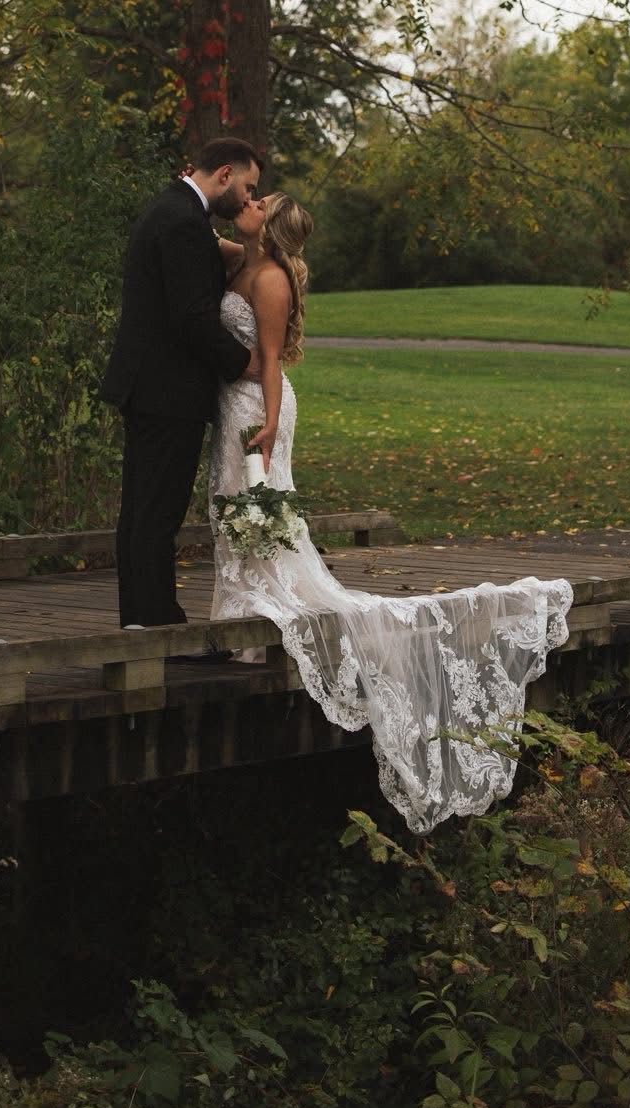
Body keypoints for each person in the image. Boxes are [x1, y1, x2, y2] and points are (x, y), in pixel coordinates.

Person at [210, 193, 573, 833]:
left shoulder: (267, 278)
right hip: (231, 405)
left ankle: (257, 611)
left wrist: (267, 424)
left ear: (268, 226)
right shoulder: (244, 257)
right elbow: (196, 238)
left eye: (259, 200)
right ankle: (240, 607)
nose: (250, 199)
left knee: (254, 510)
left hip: (256, 408)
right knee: (234, 510)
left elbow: (269, 360)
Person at [102, 136, 264, 630]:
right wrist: (245, 363)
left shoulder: (175, 213)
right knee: (156, 512)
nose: (248, 196)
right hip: (165, 390)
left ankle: (143, 618)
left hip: (148, 384)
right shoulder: (181, 223)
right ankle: (154, 623)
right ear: (223, 176)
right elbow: (192, 319)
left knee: (142, 509)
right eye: (248, 186)